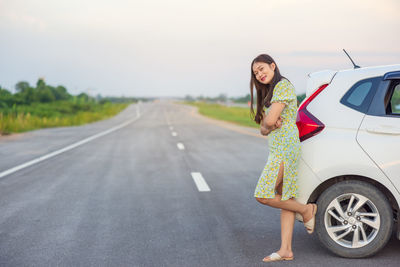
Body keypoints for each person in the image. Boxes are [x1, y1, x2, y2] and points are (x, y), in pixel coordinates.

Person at [250, 54, 317, 262]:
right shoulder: (272, 91)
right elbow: (263, 128)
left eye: (262, 69)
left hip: (285, 150)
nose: (259, 74)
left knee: (262, 194)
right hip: (279, 149)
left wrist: (269, 123)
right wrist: (268, 124)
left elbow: (268, 121)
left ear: (273, 65)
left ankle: (306, 210)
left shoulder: (283, 86)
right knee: (284, 198)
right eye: (255, 73)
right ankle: (285, 250)